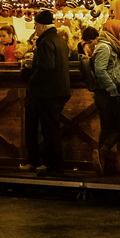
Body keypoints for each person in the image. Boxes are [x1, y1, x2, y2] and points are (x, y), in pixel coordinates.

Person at [26, 10, 72, 175]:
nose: (35, 29)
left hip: (48, 92)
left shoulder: (46, 41)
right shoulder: (59, 39)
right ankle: (53, 164)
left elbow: (46, 66)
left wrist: (32, 80)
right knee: (52, 128)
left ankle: (53, 165)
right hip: (59, 90)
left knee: (49, 130)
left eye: (35, 26)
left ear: (41, 25)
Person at [85, 22, 120, 175]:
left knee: (108, 128)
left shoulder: (107, 45)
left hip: (108, 94)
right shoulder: (104, 47)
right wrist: (113, 89)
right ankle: (102, 153)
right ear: (113, 30)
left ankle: (102, 163)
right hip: (108, 95)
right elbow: (100, 71)